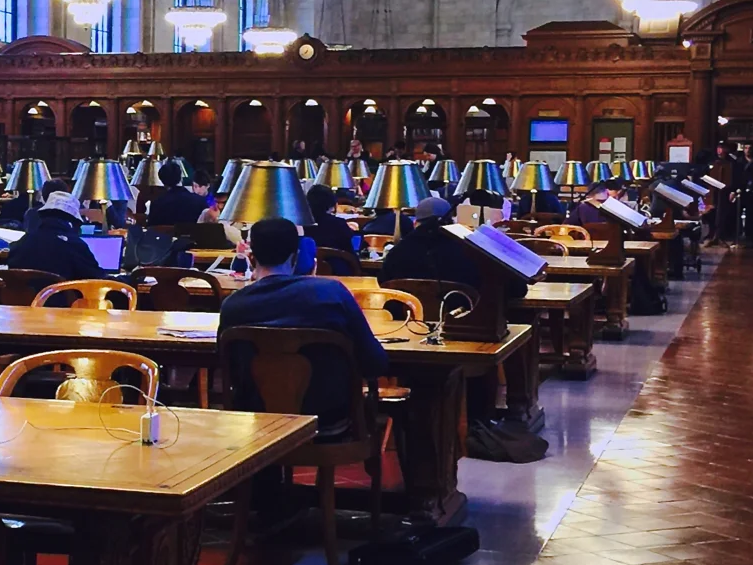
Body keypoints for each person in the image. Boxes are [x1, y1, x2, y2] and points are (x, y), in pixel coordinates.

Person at [219, 217, 388, 430]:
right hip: (329, 420)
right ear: (296, 257)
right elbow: (375, 363)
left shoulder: (232, 305)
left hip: (257, 423)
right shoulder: (333, 294)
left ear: (251, 258)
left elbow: (230, 368)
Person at [377, 196, 529, 302]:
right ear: (453, 222)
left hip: (406, 327)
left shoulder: (396, 253)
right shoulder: (472, 250)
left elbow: (384, 284)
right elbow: (517, 289)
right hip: (464, 329)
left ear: (415, 223)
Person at [2, 190, 103, 281]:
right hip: (60, 296)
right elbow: (96, 278)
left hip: (21, 296)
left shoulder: (22, 242)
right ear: (72, 222)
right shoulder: (75, 245)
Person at [146, 161, 206, 227]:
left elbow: (151, 229)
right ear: (181, 177)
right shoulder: (200, 201)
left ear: (163, 182)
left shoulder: (157, 204)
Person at [305, 184, 358, 258]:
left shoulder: (303, 224)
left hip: (310, 264)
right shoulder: (339, 224)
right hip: (338, 264)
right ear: (331, 203)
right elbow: (349, 250)